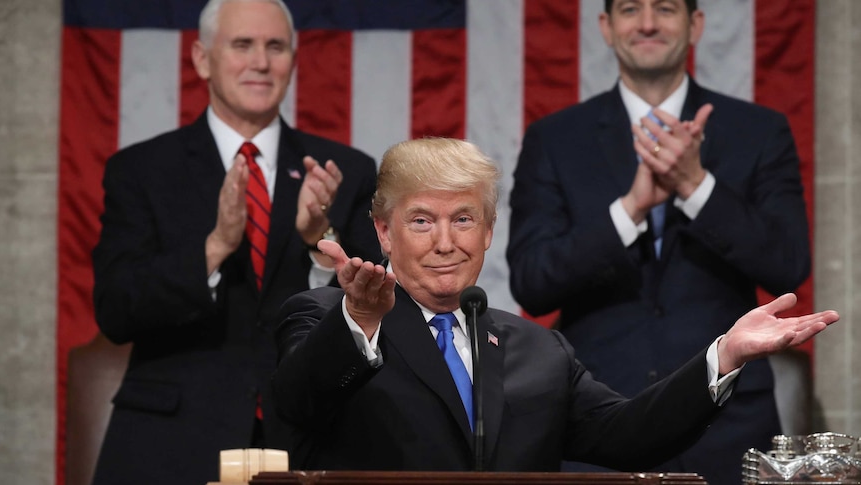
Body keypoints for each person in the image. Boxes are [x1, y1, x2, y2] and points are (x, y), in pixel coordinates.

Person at [272, 137, 835, 472]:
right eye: (422, 221)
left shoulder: (538, 349)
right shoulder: (326, 319)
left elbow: (627, 434)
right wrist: (360, 320)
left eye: (463, 219)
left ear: (489, 230)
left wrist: (726, 355)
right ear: (384, 232)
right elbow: (296, 405)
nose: (446, 242)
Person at [506, 0, 811, 483]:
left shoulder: (758, 130)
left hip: (726, 425)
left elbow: (788, 263)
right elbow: (532, 280)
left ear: (696, 25)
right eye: (630, 9)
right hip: (597, 424)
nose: (647, 23)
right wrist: (630, 209)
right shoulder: (555, 137)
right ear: (607, 27)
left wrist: (695, 185)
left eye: (665, 8)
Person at [90, 0, 380, 483]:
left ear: (293, 57)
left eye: (275, 47)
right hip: (171, 444)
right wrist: (215, 247)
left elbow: (378, 313)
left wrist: (319, 238)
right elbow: (116, 309)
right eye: (242, 45)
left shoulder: (344, 171)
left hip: (309, 439)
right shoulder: (141, 170)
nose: (260, 62)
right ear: (202, 59)